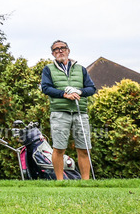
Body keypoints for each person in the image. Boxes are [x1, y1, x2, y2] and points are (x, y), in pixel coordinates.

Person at [40, 39, 97, 180]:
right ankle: (60, 181)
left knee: (84, 149)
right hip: (59, 113)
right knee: (59, 148)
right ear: (53, 53)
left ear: (68, 50)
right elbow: (46, 88)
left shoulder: (81, 69)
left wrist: (79, 92)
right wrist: (64, 94)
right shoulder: (48, 69)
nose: (60, 51)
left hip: (80, 113)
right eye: (56, 49)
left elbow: (91, 88)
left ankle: (86, 182)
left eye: (62, 48)